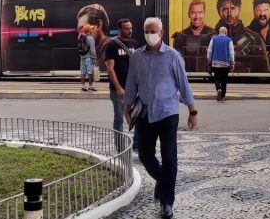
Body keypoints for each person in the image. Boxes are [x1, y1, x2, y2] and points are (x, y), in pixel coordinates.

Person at [124, 17, 197, 219]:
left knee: (169, 156)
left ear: (162, 33)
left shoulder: (173, 56)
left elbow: (184, 84)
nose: (149, 34)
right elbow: (131, 83)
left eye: (153, 30)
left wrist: (192, 111)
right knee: (146, 156)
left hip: (168, 113)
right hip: (145, 113)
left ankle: (167, 202)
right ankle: (164, 180)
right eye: (146, 31)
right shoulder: (137, 56)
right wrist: (127, 107)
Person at [213, 0, 268, 73]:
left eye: (232, 8)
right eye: (225, 9)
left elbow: (264, 74)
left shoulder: (255, 39)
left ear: (239, 9)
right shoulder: (209, 38)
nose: (229, 13)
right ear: (219, 12)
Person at [104, 18, 138, 151]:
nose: (129, 31)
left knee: (136, 117)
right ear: (119, 29)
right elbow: (110, 68)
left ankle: (136, 144)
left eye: (130, 28)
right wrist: (118, 87)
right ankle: (119, 146)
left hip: (133, 87)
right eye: (126, 28)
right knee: (119, 118)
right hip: (118, 89)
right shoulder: (112, 45)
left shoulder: (134, 43)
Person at [171, 0, 215, 72]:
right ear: (189, 14)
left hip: (209, 79)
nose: (197, 16)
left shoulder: (213, 35)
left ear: (204, 13)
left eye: (200, 12)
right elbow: (177, 62)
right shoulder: (180, 37)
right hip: (187, 78)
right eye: (193, 12)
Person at [206, 27, 235, 101]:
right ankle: (223, 96)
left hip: (215, 63)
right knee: (224, 79)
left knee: (217, 78)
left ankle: (218, 89)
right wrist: (232, 63)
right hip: (225, 64)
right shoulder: (229, 40)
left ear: (219, 32)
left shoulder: (214, 39)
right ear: (225, 32)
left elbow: (209, 51)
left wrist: (209, 61)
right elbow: (231, 53)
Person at [78, 25, 98, 92]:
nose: (92, 30)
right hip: (89, 58)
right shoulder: (90, 38)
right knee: (90, 73)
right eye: (91, 29)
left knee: (83, 73)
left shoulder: (81, 38)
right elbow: (92, 49)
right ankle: (90, 86)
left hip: (82, 58)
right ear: (88, 31)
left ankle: (83, 86)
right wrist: (94, 58)